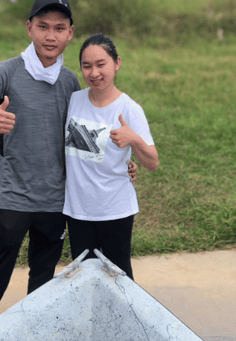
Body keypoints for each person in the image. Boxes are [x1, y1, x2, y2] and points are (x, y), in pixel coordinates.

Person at [0, 0, 80, 335]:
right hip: (12, 198)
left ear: (70, 34)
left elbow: (83, 142)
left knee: (43, 276)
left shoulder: (70, 82)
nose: (50, 36)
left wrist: (120, 168)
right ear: (29, 28)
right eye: (43, 26)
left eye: (59, 28)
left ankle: (34, 339)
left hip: (55, 200)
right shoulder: (6, 72)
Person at [63, 33, 159, 281]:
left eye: (101, 64)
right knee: (85, 278)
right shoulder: (74, 100)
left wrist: (134, 140)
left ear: (117, 63)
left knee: (119, 278)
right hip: (78, 211)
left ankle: (126, 321)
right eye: (87, 66)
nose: (94, 73)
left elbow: (152, 162)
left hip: (114, 210)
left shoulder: (129, 109)